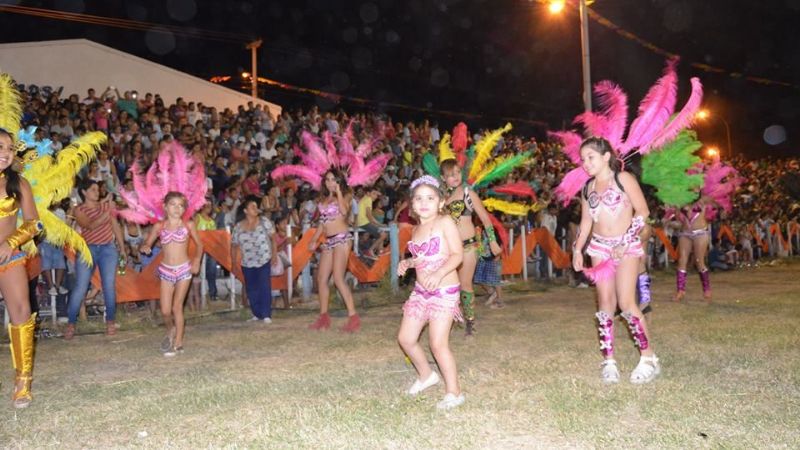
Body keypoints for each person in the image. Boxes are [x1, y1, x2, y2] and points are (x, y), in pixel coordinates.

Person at [572, 137, 659, 384]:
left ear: (606, 156)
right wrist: (578, 250)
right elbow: (586, 221)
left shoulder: (624, 180)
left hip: (627, 246)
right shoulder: (588, 187)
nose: (586, 164)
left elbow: (643, 212)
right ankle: (609, 361)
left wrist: (626, 240)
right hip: (598, 248)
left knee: (627, 303)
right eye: (583, 159)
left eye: (591, 157)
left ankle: (648, 358)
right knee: (605, 305)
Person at [397, 175, 465, 410]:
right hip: (420, 291)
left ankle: (454, 392)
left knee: (438, 344)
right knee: (405, 339)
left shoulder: (445, 222)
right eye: (418, 198)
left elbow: (457, 255)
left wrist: (438, 274)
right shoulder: (415, 229)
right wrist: (409, 264)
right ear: (412, 205)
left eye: (430, 197)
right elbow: (423, 258)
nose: (424, 202)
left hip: (444, 290)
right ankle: (426, 375)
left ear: (441, 202)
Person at [0, 128, 43, 408]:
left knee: (22, 313)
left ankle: (23, 381)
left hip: (9, 257)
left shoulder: (19, 183)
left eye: (9, 148)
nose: (5, 153)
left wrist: (10, 242)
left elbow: (34, 223)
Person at [441, 160, 502, 336]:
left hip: (468, 247)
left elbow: (485, 218)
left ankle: (470, 323)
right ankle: (451, 319)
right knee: (450, 287)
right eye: (451, 174)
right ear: (443, 178)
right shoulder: (441, 200)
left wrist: (492, 241)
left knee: (465, 284)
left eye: (458, 173)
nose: (455, 177)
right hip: (449, 250)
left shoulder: (468, 193)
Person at [140, 192, 203, 356]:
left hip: (183, 269)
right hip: (166, 270)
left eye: (180, 205)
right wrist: (145, 246)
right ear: (165, 207)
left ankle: (178, 342)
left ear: (184, 209)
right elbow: (147, 242)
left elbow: (200, 245)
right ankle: (171, 329)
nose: (177, 208)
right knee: (166, 311)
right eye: (173, 204)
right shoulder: (159, 227)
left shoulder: (188, 225)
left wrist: (196, 260)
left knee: (177, 307)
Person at [65, 179, 125, 340]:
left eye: (97, 189)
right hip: (87, 249)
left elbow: (115, 227)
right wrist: (108, 211)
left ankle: (110, 322)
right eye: (93, 189)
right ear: (84, 192)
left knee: (109, 286)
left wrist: (123, 248)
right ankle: (71, 323)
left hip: (108, 248)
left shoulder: (106, 206)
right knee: (81, 287)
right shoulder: (79, 210)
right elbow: (90, 225)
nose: (97, 191)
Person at [308, 170, 361, 332]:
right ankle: (324, 317)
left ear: (339, 182)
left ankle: (353, 318)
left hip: (342, 239)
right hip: (329, 241)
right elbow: (323, 223)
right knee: (321, 278)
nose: (330, 183)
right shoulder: (324, 199)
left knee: (338, 279)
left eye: (334, 180)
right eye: (328, 180)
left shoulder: (345, 195)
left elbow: (344, 212)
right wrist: (314, 239)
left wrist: (338, 192)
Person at [230, 195, 277, 323]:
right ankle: (256, 313)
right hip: (247, 262)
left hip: (264, 259)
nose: (256, 208)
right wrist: (234, 262)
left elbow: (273, 238)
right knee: (251, 288)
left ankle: (266, 314)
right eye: (252, 207)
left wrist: (274, 254)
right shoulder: (238, 227)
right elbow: (234, 245)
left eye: (256, 206)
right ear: (245, 211)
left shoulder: (264, 221)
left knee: (264, 285)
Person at [672, 201, 712, 302]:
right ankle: (680, 291)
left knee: (699, 261)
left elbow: (711, 214)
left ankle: (706, 288)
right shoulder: (680, 201)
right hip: (685, 233)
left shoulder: (702, 201)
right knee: (682, 260)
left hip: (701, 233)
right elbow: (678, 221)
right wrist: (676, 211)